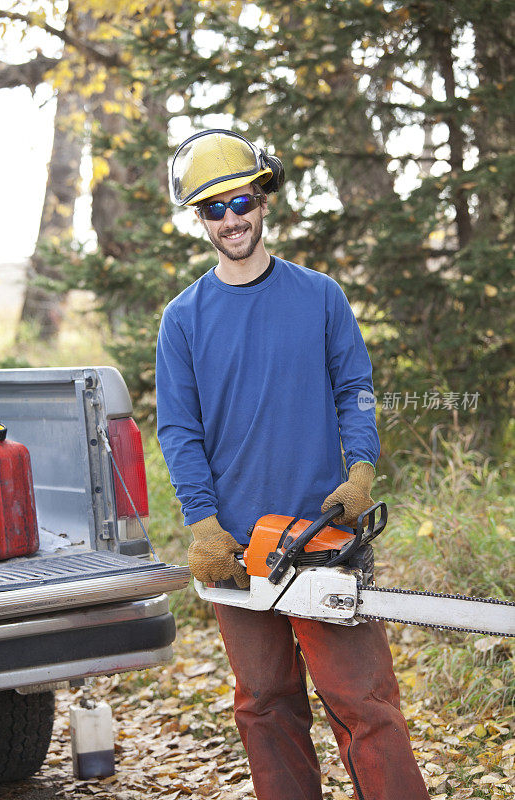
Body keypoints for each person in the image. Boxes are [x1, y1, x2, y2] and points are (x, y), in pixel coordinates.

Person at [156, 129, 429, 800]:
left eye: (240, 201)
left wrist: (359, 471)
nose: (230, 220)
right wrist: (202, 524)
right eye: (212, 209)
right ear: (198, 218)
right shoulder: (183, 319)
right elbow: (179, 430)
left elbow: (353, 389)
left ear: (263, 198)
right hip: (238, 548)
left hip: (321, 537)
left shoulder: (319, 296)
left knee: (363, 703)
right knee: (264, 705)